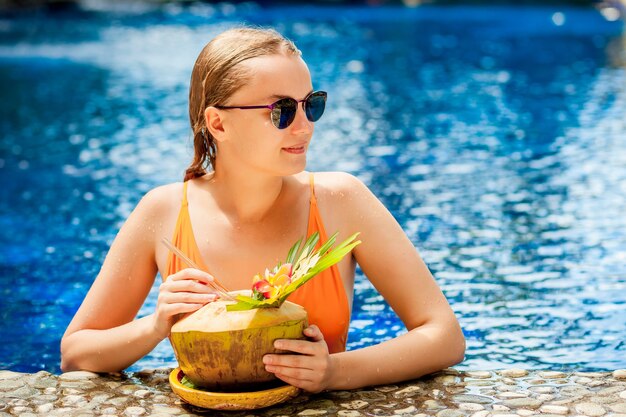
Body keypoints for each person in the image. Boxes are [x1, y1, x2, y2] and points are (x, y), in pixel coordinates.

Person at [61, 26, 465, 393]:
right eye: (282, 110)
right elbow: (76, 353)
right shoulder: (163, 212)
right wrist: (153, 326)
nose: (305, 126)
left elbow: (444, 335)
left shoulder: (341, 201)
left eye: (312, 105)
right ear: (218, 124)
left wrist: (335, 372)